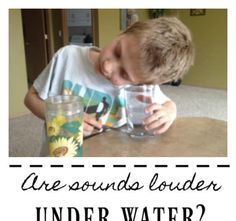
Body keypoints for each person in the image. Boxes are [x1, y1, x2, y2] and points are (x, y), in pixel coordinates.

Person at [24, 16, 194, 153]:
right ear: (125, 31)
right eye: (117, 51)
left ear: (140, 83)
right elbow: (30, 98)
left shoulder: (141, 88)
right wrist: (62, 120)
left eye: (124, 74)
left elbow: (168, 104)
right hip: (61, 153)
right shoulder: (67, 57)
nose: (107, 66)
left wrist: (169, 112)